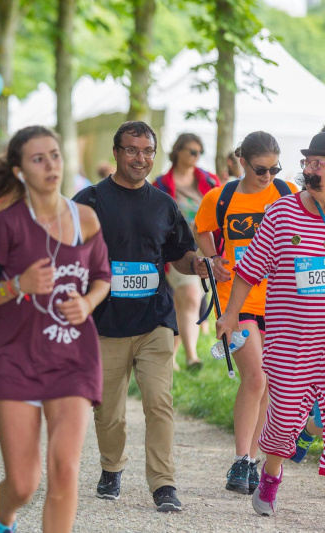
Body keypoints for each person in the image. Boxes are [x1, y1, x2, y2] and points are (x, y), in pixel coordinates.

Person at [0, 126, 111, 533]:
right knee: (24, 484)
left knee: (64, 471)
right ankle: (2, 516)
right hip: (15, 360)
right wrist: (16, 285)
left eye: (55, 155)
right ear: (20, 170)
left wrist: (88, 303)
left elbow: (101, 277)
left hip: (72, 358)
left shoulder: (87, 218)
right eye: (38, 159)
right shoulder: (1, 226)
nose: (50, 165)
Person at [73, 121, 220, 512]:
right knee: (109, 411)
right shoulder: (89, 201)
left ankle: (163, 483)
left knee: (159, 401)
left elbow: (181, 254)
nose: (141, 158)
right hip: (105, 324)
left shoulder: (164, 204)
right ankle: (111, 467)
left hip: (155, 318)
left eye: (148, 151)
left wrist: (200, 265)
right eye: (132, 150)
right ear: (117, 152)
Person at [217, 131, 325, 517]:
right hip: (290, 342)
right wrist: (230, 314)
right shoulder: (282, 213)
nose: (315, 171)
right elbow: (247, 271)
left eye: (322, 165)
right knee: (281, 428)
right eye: (312, 163)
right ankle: (272, 471)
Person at [195, 131, 297, 496]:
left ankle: (252, 461)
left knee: (268, 381)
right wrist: (212, 260)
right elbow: (202, 229)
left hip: (282, 301)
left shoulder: (286, 195)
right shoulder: (221, 197)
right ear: (242, 162)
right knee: (255, 376)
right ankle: (240, 459)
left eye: (275, 169)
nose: (268, 176)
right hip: (237, 302)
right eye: (261, 169)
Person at [154, 133, 221, 371]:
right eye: (192, 151)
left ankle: (170, 357)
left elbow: (222, 209)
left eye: (199, 152)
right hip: (176, 250)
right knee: (191, 297)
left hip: (204, 246)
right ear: (178, 151)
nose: (196, 156)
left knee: (183, 303)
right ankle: (193, 357)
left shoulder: (209, 181)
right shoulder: (161, 184)